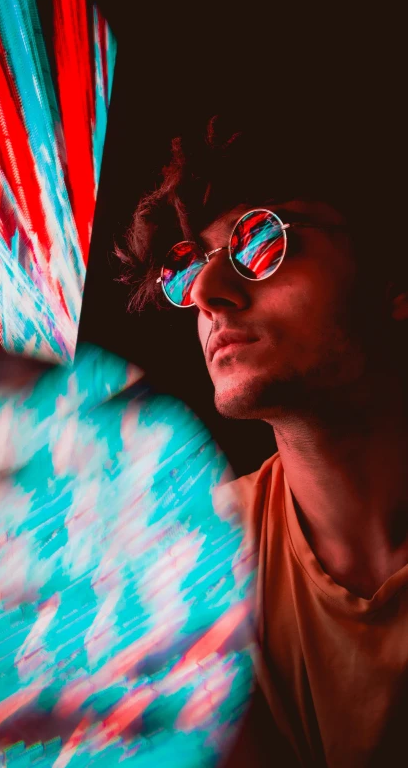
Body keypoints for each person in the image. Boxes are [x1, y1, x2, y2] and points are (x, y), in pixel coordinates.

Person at [117, 110, 408, 766]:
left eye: (260, 242)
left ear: (393, 281)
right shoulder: (194, 565)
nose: (209, 295)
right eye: (188, 269)